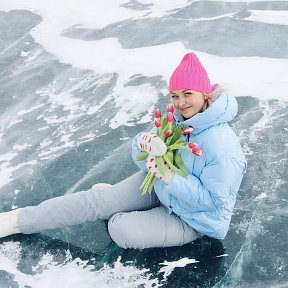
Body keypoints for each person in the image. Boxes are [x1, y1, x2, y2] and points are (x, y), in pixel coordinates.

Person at [0, 52, 247, 249]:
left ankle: (122, 208)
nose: (180, 103)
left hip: (194, 219)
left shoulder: (223, 148)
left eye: (188, 94)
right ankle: (18, 220)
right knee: (97, 201)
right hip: (160, 188)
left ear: (205, 94)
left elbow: (214, 202)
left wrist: (169, 176)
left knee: (121, 228)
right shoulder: (178, 119)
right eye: (174, 95)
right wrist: (143, 144)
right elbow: (142, 159)